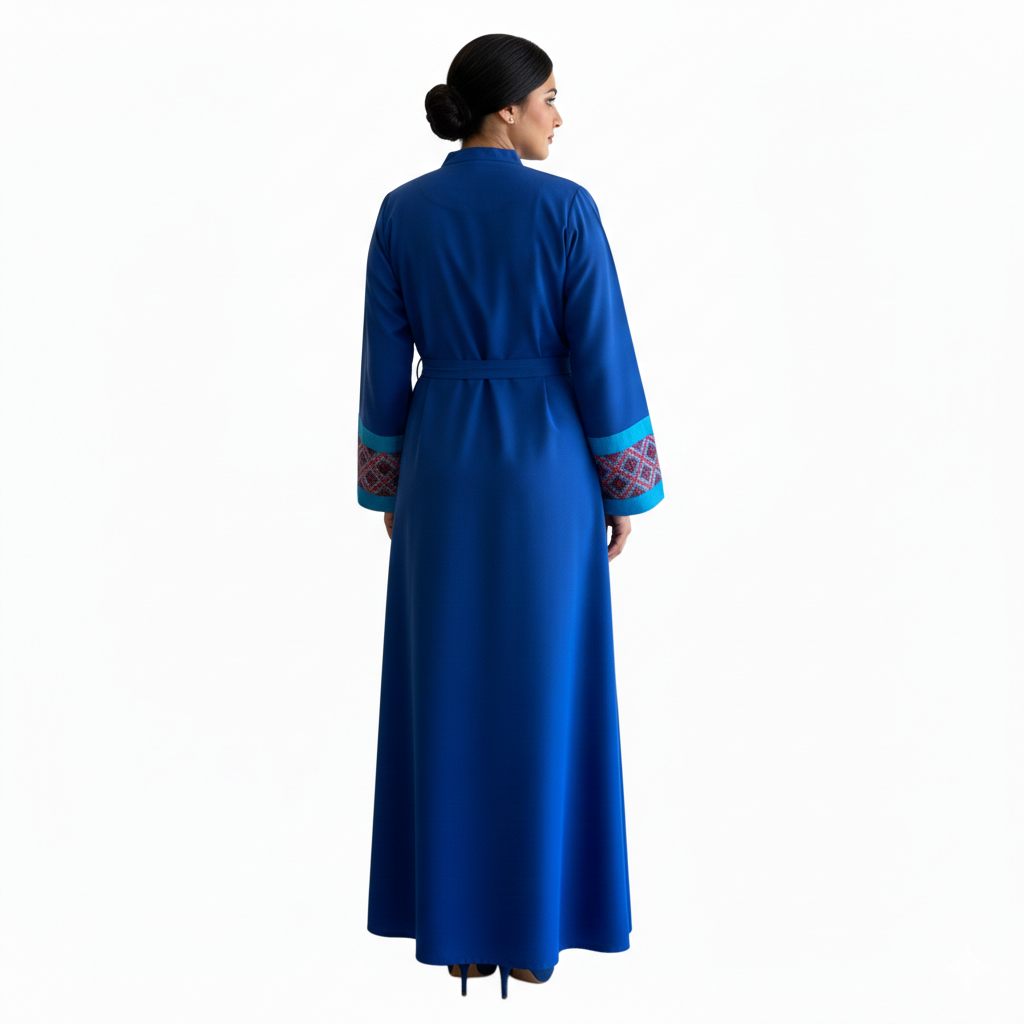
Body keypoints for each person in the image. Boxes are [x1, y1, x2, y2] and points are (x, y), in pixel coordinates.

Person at [356, 33, 664, 1001]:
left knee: (446, 690)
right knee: (546, 689)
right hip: (546, 471)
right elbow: (601, 351)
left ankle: (458, 932)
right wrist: (625, 487)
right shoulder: (565, 209)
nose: (557, 118)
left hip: (442, 468)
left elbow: (382, 365)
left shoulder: (403, 212)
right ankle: (535, 934)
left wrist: (388, 487)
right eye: (550, 99)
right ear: (506, 109)